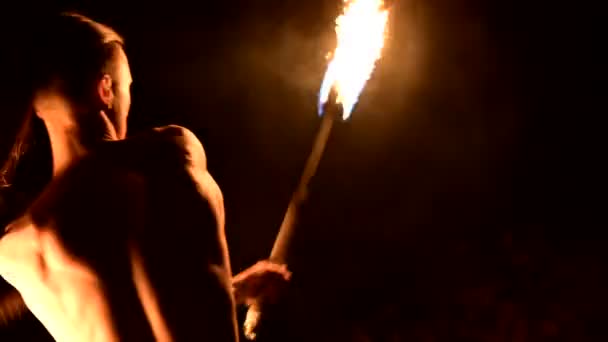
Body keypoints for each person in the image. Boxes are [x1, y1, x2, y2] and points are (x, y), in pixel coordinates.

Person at [0, 13, 238, 341]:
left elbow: (118, 303)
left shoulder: (15, 248)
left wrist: (235, 288)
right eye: (128, 87)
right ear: (106, 89)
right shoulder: (165, 156)